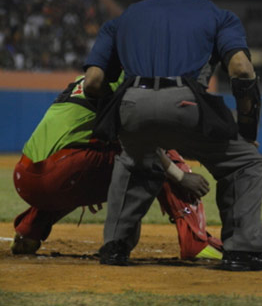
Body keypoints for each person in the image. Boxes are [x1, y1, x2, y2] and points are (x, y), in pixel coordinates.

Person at [82, 0, 262, 271]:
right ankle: (244, 249)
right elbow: (241, 69)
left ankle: (114, 247)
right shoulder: (218, 15)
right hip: (186, 106)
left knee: (135, 160)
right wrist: (246, 131)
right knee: (245, 163)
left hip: (132, 103)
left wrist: (116, 114)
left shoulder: (125, 17)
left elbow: (92, 81)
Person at [11, 74, 222, 260]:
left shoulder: (83, 79)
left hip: (26, 176)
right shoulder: (128, 81)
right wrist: (181, 177)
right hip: (64, 171)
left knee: (123, 149)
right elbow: (143, 140)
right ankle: (196, 241)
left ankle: (30, 230)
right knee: (156, 149)